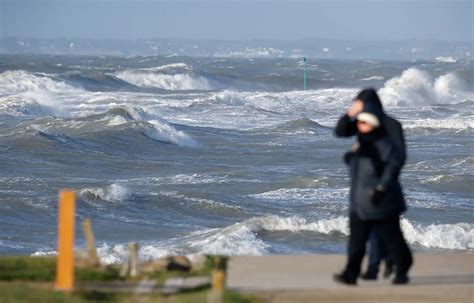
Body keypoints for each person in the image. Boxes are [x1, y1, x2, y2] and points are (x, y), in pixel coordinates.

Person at [333, 88, 413, 285]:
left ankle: (390, 267)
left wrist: (383, 183)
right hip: (361, 194)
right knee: (361, 238)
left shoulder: (389, 127)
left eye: (359, 103)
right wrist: (350, 113)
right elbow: (340, 131)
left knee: (388, 237)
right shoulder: (362, 124)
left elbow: (397, 159)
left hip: (382, 192)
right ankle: (364, 271)